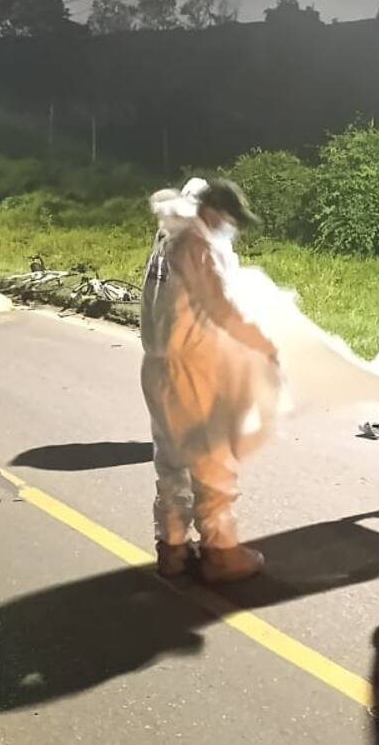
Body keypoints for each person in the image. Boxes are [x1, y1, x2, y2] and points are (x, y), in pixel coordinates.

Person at [141, 179, 280, 583]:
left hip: (159, 366)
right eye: (228, 218)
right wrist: (265, 345)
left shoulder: (166, 240)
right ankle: (221, 556)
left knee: (171, 463)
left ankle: (173, 550)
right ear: (213, 211)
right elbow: (223, 308)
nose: (229, 227)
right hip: (193, 370)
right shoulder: (197, 245)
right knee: (213, 462)